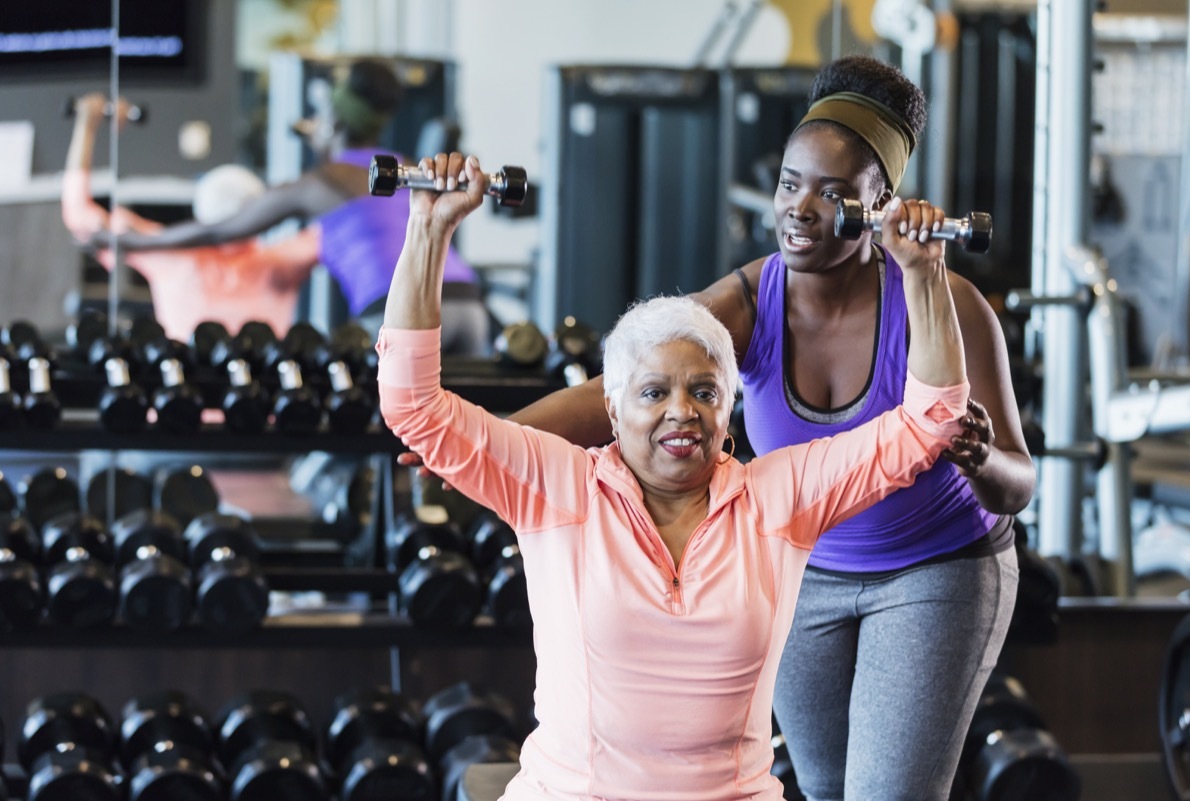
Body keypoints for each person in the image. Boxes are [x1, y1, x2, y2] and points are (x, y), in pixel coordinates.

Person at [500, 56, 1034, 801]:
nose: (799, 209)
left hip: (935, 568)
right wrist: (483, 443)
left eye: (833, 193)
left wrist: (976, 456)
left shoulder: (948, 305)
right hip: (803, 571)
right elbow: (618, 393)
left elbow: (1020, 483)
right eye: (789, 183)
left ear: (883, 202)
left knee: (888, 794)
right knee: (819, 784)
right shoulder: (751, 299)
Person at [377, 150, 972, 801]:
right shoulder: (557, 487)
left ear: (728, 410)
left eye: (704, 392)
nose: (680, 411)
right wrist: (428, 229)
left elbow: (931, 419)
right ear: (612, 408)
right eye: (653, 392)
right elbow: (414, 407)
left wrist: (923, 273)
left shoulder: (779, 498)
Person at [100, 58, 490, 355]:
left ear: (333, 124)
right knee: (454, 441)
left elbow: (218, 229)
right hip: (467, 304)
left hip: (397, 307)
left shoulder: (320, 183)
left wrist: (133, 242)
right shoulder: (402, 164)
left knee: (350, 427)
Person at [62, 93, 310, 341]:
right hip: (263, 377)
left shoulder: (174, 259)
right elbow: (342, 210)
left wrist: (86, 125)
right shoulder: (279, 264)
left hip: (185, 377)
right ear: (261, 217)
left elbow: (78, 215)